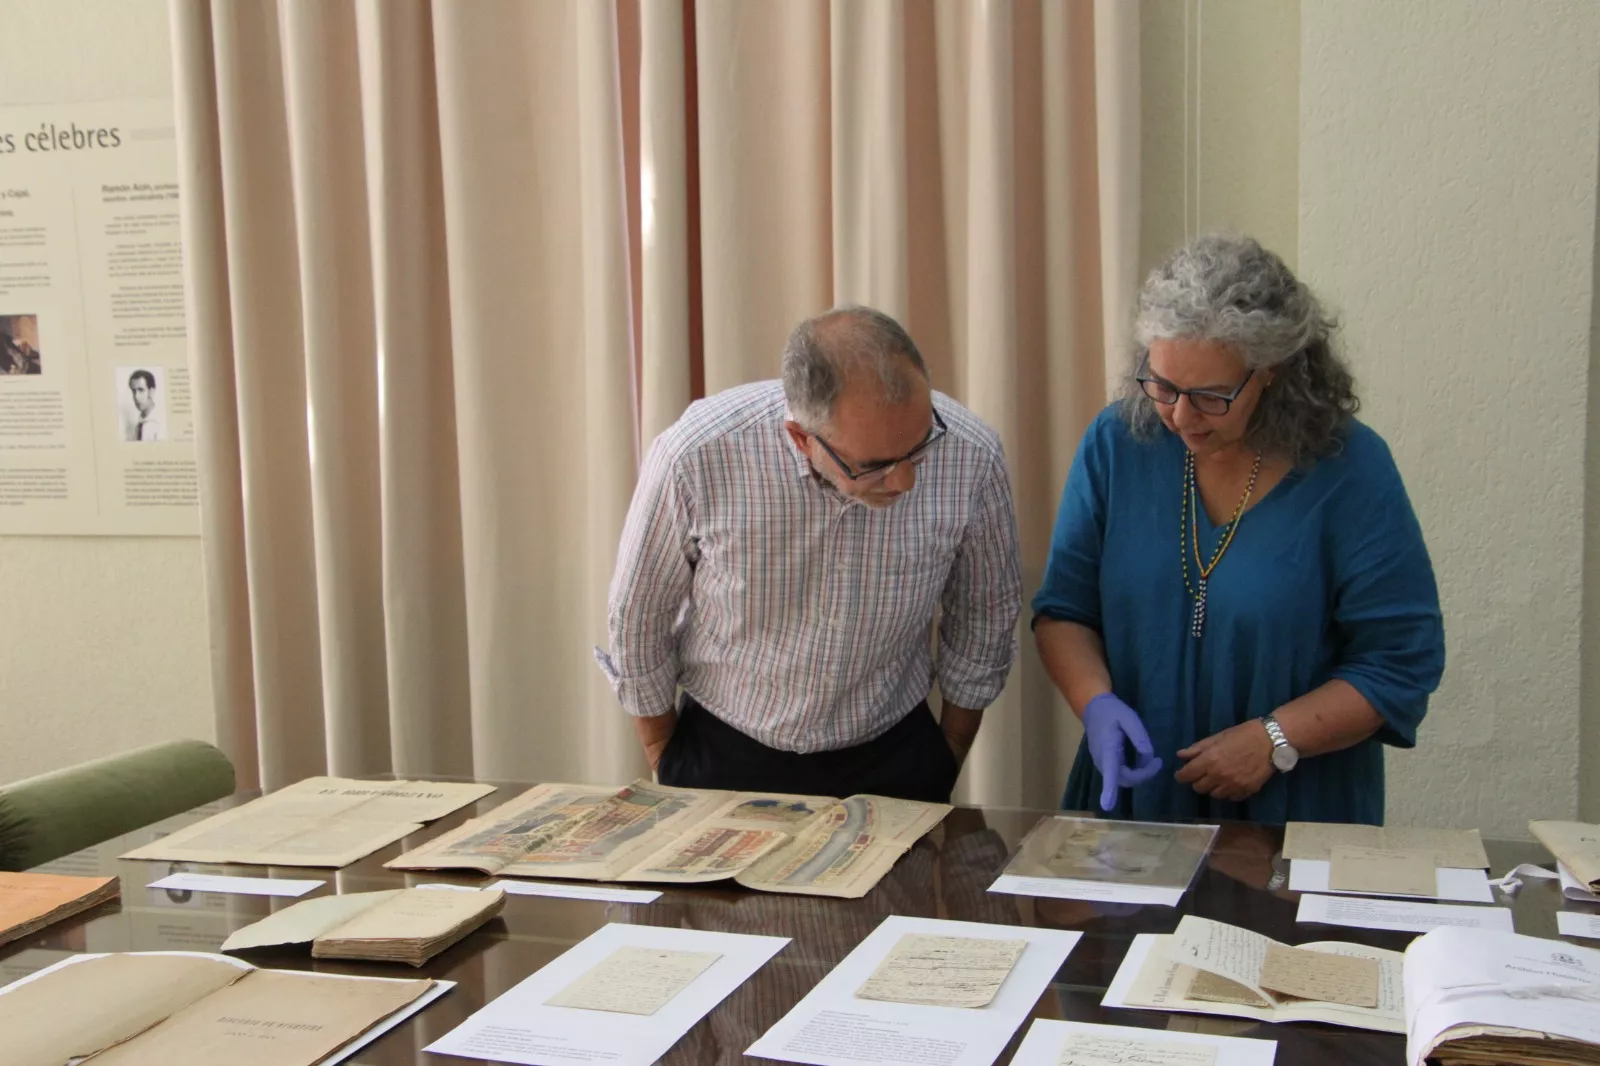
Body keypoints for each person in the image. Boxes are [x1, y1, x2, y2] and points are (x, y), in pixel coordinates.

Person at [1033, 235, 1445, 826]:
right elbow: (1064, 611)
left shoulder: (1348, 469)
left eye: (1210, 397)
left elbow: (1400, 660)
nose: (1178, 416)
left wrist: (1276, 739)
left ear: (1270, 372)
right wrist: (1095, 704)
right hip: (1136, 805)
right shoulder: (1117, 443)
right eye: (1164, 386)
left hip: (1294, 810)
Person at [597, 305, 1022, 803]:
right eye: (877, 466)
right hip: (723, 749)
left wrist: (948, 751)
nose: (906, 480)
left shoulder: (973, 455)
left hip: (895, 751)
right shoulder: (697, 454)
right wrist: (662, 752)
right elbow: (638, 615)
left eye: (920, 446)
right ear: (802, 438)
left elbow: (985, 614)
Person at [126, 369, 164, 441]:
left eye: (141, 390)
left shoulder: (161, 425)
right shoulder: (137, 427)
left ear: (151, 392)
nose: (136, 397)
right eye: (134, 391)